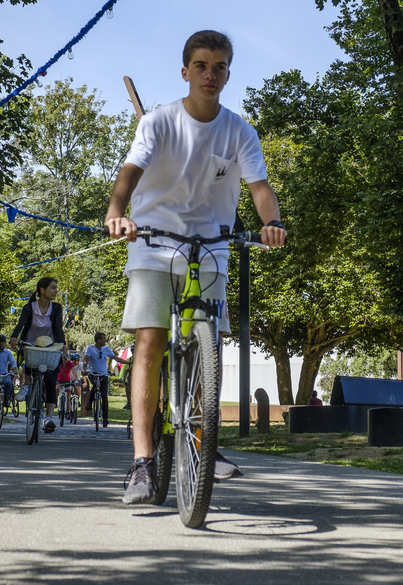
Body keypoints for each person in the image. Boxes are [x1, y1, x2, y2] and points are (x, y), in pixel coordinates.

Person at [105, 30, 288, 505]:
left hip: (211, 245)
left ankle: (206, 447)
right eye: (202, 66)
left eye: (220, 66)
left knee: (211, 339)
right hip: (151, 240)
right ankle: (142, 463)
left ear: (228, 73)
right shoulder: (159, 123)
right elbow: (129, 174)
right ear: (186, 72)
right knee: (150, 340)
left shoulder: (239, 131)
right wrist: (116, 213)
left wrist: (273, 223)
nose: (211, 74)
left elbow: (260, 188)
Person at [10, 277, 66, 433]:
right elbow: (21, 324)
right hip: (31, 344)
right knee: (30, 362)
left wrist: (63, 346)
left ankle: (48, 418)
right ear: (43, 290)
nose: (56, 291)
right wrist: (14, 337)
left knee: (51, 380)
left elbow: (57, 329)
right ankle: (27, 387)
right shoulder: (29, 308)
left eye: (56, 288)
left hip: (51, 346)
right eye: (53, 288)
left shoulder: (56, 308)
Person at [82, 332, 124, 427]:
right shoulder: (90, 348)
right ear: (98, 340)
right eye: (103, 338)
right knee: (96, 384)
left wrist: (129, 362)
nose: (105, 340)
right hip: (93, 373)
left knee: (104, 396)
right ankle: (90, 402)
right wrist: (84, 369)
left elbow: (117, 359)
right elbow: (86, 360)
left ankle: (105, 419)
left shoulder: (106, 349)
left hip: (103, 374)